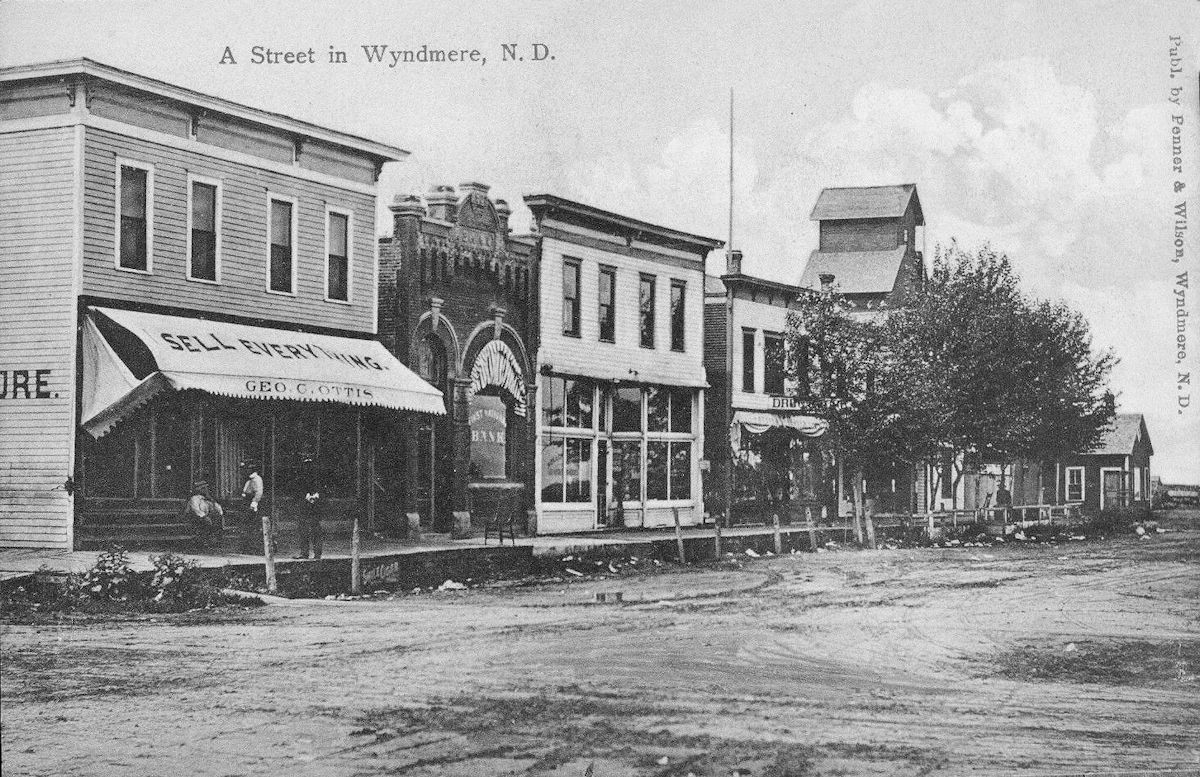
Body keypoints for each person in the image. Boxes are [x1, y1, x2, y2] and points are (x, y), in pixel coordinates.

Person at [295, 455, 325, 560]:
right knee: (303, 529)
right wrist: (306, 496)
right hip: (304, 504)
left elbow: (323, 487)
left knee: (315, 529)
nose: (308, 467)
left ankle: (317, 554)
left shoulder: (318, 475)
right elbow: (297, 488)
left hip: (315, 505)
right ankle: (304, 553)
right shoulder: (300, 475)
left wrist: (316, 496)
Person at [183, 479, 223, 548]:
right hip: (196, 517)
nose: (206, 490)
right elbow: (196, 510)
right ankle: (203, 541)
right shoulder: (195, 498)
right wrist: (204, 517)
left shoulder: (207, 499)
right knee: (205, 522)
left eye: (206, 488)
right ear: (200, 489)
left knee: (217, 520)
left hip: (206, 516)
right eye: (204, 488)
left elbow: (217, 507)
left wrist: (220, 513)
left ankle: (214, 540)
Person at [239, 461, 265, 554]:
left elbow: (258, 492)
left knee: (254, 526)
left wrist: (254, 503)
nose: (243, 471)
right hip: (246, 502)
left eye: (245, 469)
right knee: (247, 526)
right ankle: (248, 547)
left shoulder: (256, 479)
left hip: (252, 504)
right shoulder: (248, 479)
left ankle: (255, 548)